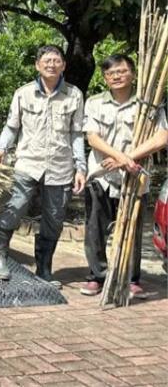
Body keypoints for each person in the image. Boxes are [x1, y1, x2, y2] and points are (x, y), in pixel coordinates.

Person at [0, 45, 86, 286]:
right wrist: (1, 148)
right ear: (37, 65)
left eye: (56, 60)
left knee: (54, 220)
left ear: (63, 65)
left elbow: (76, 134)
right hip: (27, 164)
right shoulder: (23, 93)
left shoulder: (74, 95)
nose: (51, 64)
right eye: (47, 60)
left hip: (60, 168)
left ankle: (43, 270)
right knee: (15, 208)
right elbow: (12, 127)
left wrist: (81, 167)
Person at [80, 54, 168, 297]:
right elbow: (93, 138)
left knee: (133, 228)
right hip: (102, 175)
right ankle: (97, 275)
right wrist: (121, 158)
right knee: (95, 229)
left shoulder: (148, 105)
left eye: (122, 71)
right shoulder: (95, 102)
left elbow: (161, 138)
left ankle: (131, 279)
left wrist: (125, 158)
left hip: (135, 177)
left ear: (133, 73)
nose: (117, 76)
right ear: (105, 78)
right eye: (111, 73)